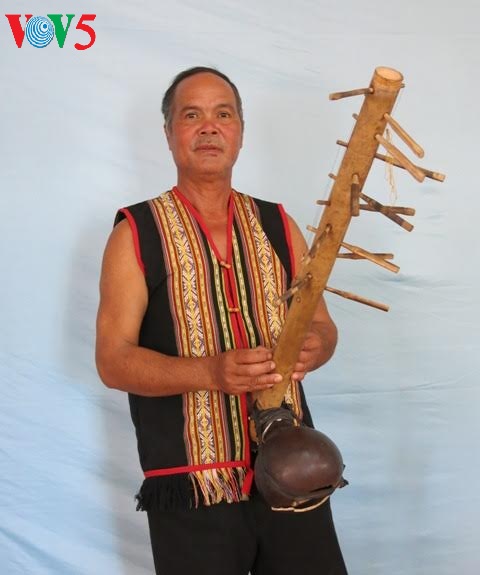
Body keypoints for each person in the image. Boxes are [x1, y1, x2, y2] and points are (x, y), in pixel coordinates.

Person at [96, 66, 347, 575]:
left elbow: (323, 327)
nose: (209, 127)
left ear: (240, 132)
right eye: (192, 115)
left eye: (223, 114)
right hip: (192, 484)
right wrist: (209, 372)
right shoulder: (136, 232)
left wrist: (315, 345)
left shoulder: (280, 226)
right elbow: (112, 361)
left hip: (294, 468)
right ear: (169, 133)